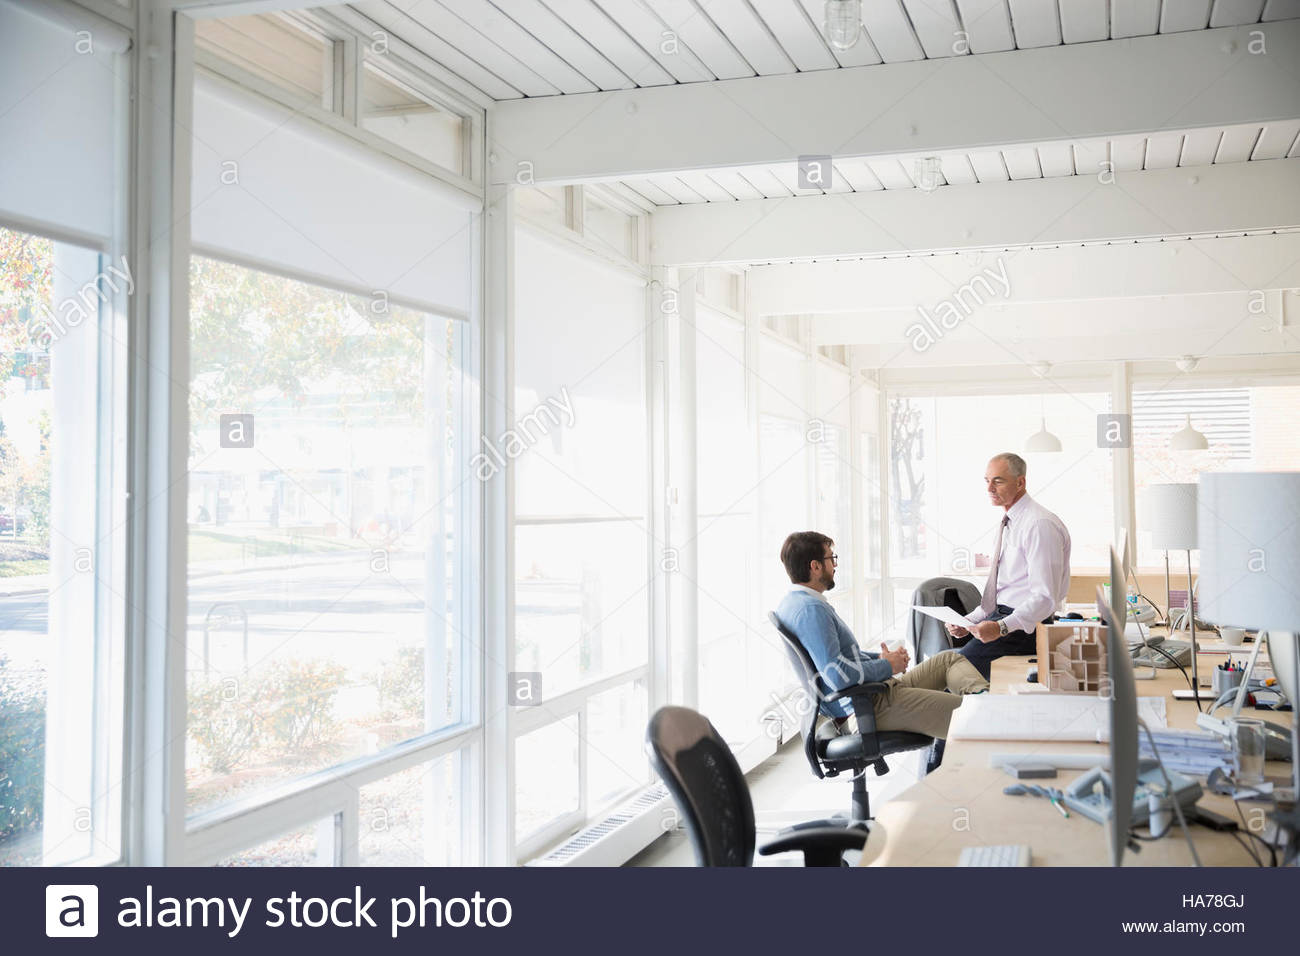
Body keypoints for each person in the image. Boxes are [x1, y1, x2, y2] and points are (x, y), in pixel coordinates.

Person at [774, 531, 988, 742]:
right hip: (868, 707)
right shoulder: (811, 610)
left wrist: (882, 659)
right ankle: (993, 714)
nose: (835, 565)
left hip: (876, 694)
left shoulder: (794, 603)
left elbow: (844, 659)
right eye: (831, 558)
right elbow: (838, 676)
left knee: (949, 659)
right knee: (976, 718)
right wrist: (887, 666)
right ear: (815, 566)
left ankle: (986, 698)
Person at [945, 452, 1071, 680]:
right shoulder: (1011, 522)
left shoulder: (1038, 525)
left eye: (998, 481)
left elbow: (1044, 597)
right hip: (1002, 618)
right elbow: (1000, 591)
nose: (989, 488)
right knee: (941, 667)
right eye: (987, 481)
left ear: (1020, 482)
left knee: (954, 674)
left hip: (1024, 628)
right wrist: (969, 621)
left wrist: (1001, 627)